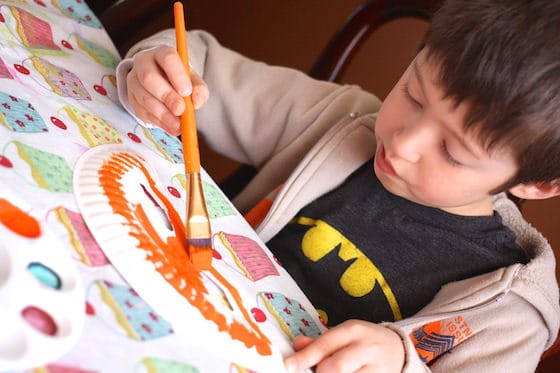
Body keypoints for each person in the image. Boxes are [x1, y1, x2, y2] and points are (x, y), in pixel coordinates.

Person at [116, 0, 560, 371]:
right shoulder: (340, 120)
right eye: (413, 95)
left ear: (539, 184)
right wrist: (164, 78)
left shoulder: (511, 315)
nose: (403, 143)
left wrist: (402, 359)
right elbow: (198, 60)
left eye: (452, 152)